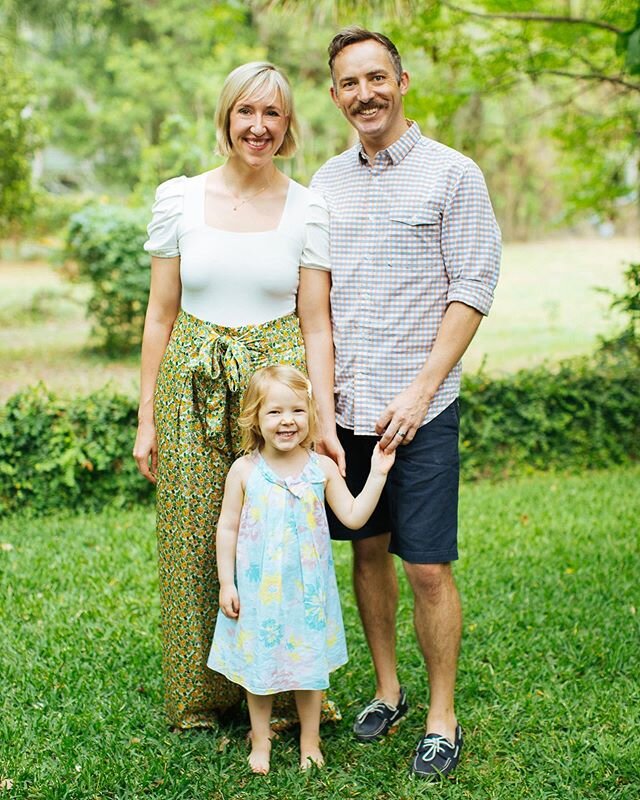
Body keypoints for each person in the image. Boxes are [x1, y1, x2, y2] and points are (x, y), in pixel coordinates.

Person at [310, 27, 501, 779]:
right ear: (334, 96)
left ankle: (442, 717)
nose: (365, 94)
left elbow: (473, 288)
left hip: (420, 409)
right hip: (347, 408)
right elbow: (315, 306)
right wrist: (323, 409)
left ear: (403, 80)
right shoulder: (324, 184)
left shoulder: (454, 176)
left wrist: (421, 391)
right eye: (349, 84)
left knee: (425, 567)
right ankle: (388, 691)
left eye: (376, 78)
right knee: (365, 551)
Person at [133, 61, 343, 730]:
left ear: (288, 127)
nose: (258, 126)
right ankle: (203, 696)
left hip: (276, 387)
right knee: (195, 535)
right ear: (226, 118)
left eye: (272, 114)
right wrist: (146, 416)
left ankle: (285, 690)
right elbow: (160, 314)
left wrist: (324, 421)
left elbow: (316, 323)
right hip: (190, 381)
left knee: (281, 535)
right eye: (245, 112)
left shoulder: (309, 206)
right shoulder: (180, 199)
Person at [207, 365, 395, 773]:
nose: (287, 420)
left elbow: (354, 516)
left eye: (297, 410)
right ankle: (261, 736)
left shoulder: (321, 469)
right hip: (260, 593)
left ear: (310, 414)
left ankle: (311, 739)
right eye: (274, 412)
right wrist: (227, 582)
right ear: (255, 418)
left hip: (308, 595)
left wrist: (378, 474)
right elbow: (228, 527)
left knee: (309, 669)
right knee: (259, 669)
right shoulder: (244, 471)